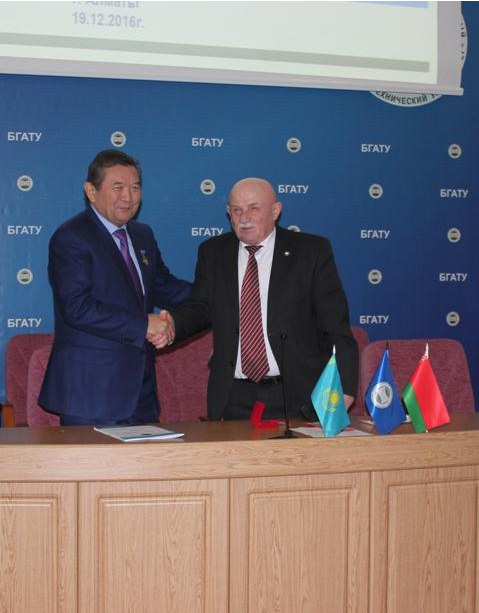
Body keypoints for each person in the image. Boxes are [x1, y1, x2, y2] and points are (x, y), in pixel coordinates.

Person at [154, 177, 358, 421]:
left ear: (275, 210)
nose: (244, 218)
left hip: (299, 394)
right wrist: (174, 325)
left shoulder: (311, 251)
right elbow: (201, 307)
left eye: (254, 208)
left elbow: (335, 325)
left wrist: (344, 385)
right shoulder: (213, 252)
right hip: (234, 395)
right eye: (236, 210)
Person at [39, 149, 191, 425]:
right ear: (91, 191)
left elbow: (163, 286)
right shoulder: (71, 237)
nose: (128, 197)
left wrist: (221, 294)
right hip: (90, 393)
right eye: (118, 187)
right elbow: (77, 308)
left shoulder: (143, 234)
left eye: (135, 187)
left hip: (140, 390)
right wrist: (144, 325)